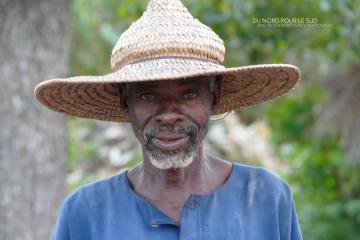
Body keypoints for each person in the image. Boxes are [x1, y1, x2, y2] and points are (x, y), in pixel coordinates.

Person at [34, 0, 302, 239]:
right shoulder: (86, 213)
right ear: (126, 101)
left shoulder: (267, 197)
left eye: (188, 94)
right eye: (149, 96)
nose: (169, 114)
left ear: (214, 96)